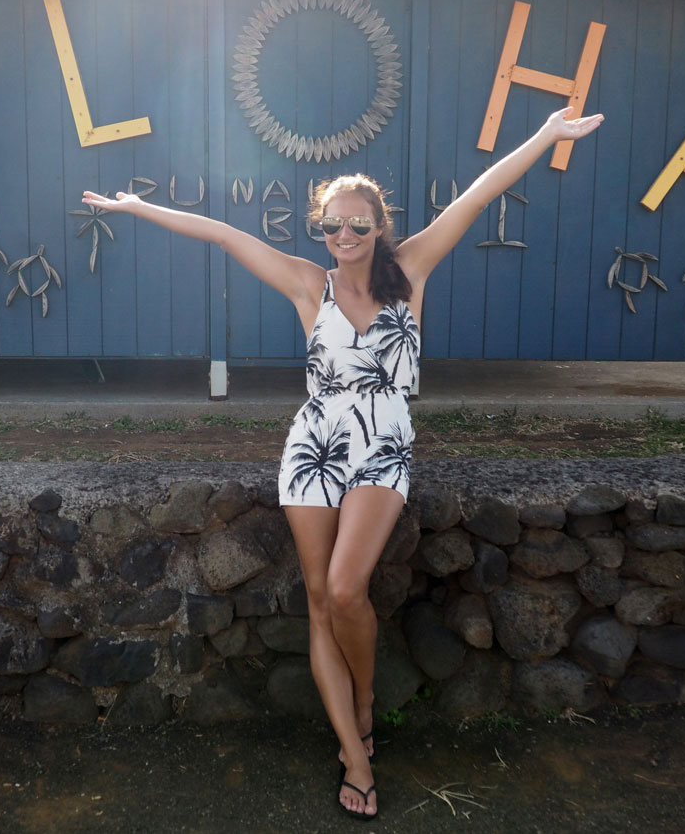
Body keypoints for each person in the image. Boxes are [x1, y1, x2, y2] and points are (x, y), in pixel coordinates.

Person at [82, 105, 602, 820]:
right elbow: (224, 235)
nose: (346, 236)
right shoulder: (308, 284)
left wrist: (544, 138)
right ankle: (355, 756)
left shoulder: (410, 270)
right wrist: (138, 208)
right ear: (320, 228)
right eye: (332, 225)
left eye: (359, 224)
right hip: (313, 444)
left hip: (384, 441)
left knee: (348, 589)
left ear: (379, 226)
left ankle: (362, 695)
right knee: (320, 601)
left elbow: (476, 197)